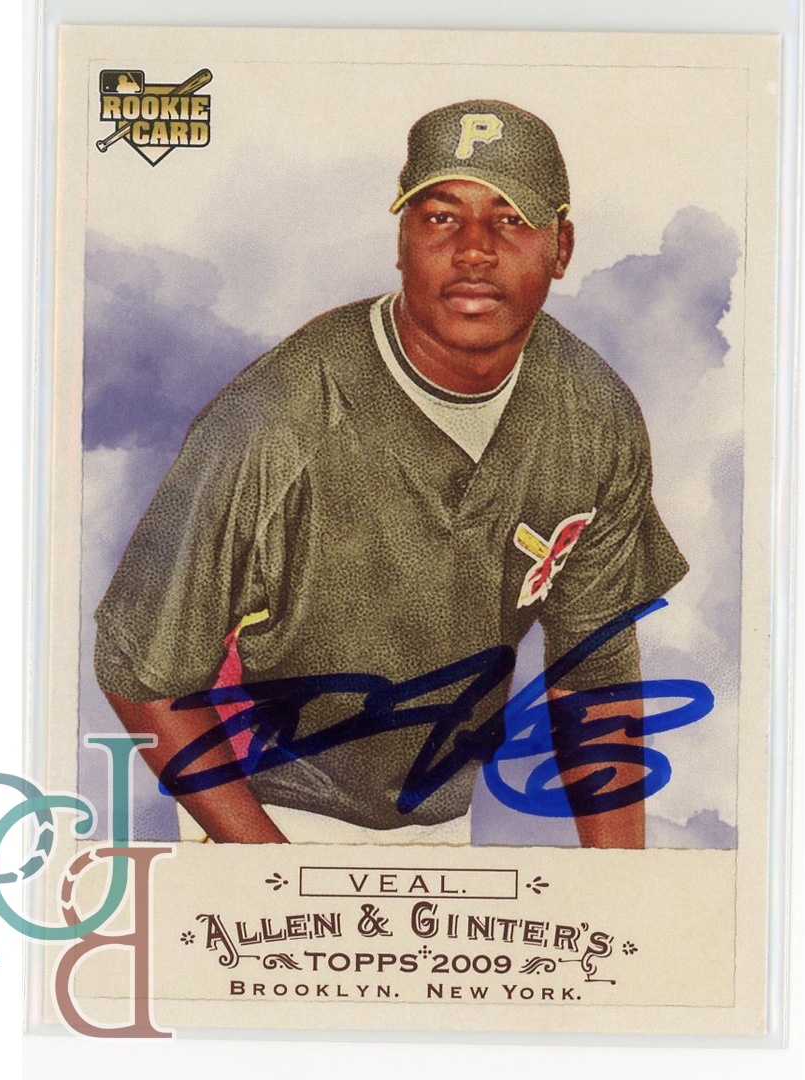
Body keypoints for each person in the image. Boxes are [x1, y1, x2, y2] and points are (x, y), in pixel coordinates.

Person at [94, 99, 688, 848]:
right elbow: (139, 674)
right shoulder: (276, 416)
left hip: (438, 819)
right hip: (263, 808)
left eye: (510, 219)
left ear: (560, 246)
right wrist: (270, 876)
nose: (474, 250)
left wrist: (623, 891)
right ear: (402, 239)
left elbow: (595, 676)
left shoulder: (592, 415)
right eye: (441, 217)